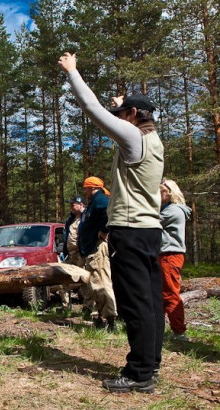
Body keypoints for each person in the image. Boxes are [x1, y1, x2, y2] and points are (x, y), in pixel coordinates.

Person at [59, 52, 164, 394]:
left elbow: (92, 111)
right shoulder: (153, 139)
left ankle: (138, 374)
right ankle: (151, 365)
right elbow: (133, 113)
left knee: (134, 304)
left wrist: (74, 73)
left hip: (130, 232)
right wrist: (124, 102)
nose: (119, 118)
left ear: (133, 116)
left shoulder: (134, 140)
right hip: (148, 230)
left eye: (124, 114)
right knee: (150, 300)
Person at [80, 177, 117, 331]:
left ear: (92, 187)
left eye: (86, 188)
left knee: (102, 283)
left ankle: (111, 320)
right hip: (90, 250)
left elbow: (109, 211)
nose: (84, 191)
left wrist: (103, 230)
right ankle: (103, 317)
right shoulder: (93, 201)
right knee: (94, 285)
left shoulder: (100, 199)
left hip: (97, 250)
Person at [159, 179, 191, 341]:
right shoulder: (168, 209)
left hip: (170, 255)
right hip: (164, 255)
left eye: (160, 192)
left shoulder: (173, 210)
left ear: (169, 192)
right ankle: (159, 326)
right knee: (161, 293)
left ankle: (179, 331)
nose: (157, 195)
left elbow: (152, 223)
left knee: (170, 294)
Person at [61, 195, 86, 309]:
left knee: (85, 280)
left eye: (73, 204)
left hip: (82, 254)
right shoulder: (71, 219)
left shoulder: (86, 218)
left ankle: (89, 307)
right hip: (70, 254)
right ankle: (66, 306)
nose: (71, 206)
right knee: (63, 278)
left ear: (81, 205)